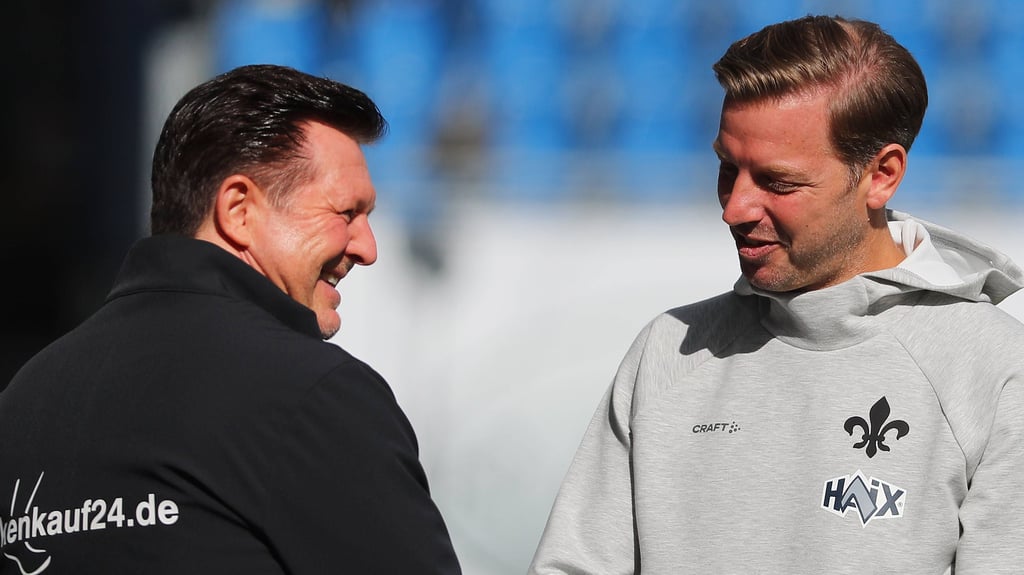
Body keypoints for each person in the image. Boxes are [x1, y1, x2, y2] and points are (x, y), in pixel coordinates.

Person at [529, 15, 1024, 574]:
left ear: (882, 175)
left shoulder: (997, 371)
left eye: (778, 182)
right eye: (727, 168)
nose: (734, 208)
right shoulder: (669, 350)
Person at [0, 64, 461, 574]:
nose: (367, 249)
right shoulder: (311, 394)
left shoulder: (22, 402)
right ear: (239, 210)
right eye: (346, 213)